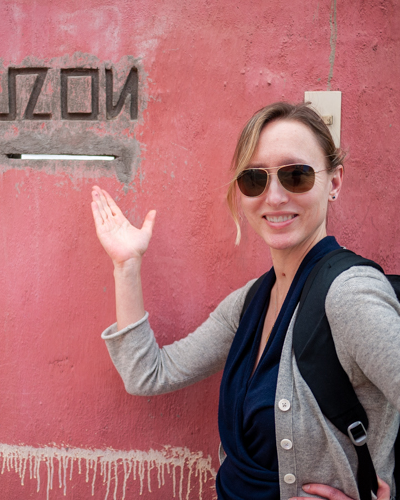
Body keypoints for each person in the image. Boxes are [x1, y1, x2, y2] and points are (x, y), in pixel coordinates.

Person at [90, 102, 399, 500]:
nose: (273, 196)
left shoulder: (349, 296)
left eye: (296, 175)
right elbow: (149, 374)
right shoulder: (251, 303)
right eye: (254, 179)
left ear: (334, 182)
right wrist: (126, 265)